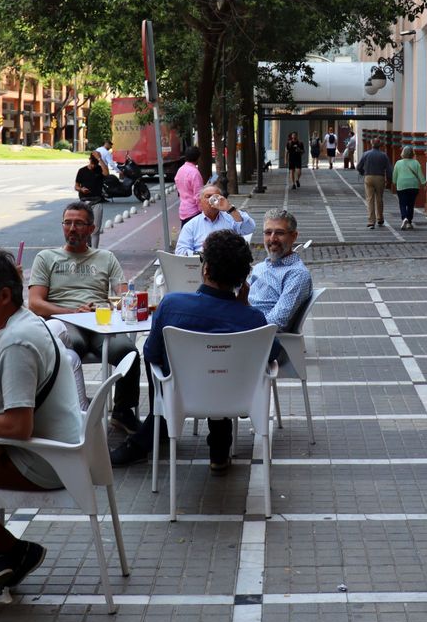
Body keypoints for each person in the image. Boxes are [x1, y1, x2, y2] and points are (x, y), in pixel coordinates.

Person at [0, 250, 86, 601]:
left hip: (40, 460)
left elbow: (19, 427)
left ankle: (11, 552)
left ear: (4, 296)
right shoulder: (22, 323)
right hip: (53, 450)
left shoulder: (17, 342)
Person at [110, 230, 273, 472]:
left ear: (205, 270)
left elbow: (152, 354)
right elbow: (274, 355)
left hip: (181, 396)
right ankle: (219, 447)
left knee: (156, 356)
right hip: (236, 399)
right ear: (243, 278)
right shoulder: (253, 320)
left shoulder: (172, 305)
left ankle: (160, 423)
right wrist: (245, 307)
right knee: (221, 371)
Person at [27, 202, 141, 433]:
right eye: (67, 223)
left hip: (100, 322)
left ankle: (122, 412)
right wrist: (72, 312)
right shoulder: (46, 257)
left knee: (128, 352)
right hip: (65, 321)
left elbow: (123, 293)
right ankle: (76, 409)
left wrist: (129, 299)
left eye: (78, 223)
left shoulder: (105, 257)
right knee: (72, 347)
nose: (72, 228)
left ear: (91, 228)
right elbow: (35, 303)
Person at [244, 209, 313, 333]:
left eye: (279, 233)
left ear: (294, 236)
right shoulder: (261, 266)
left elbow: (276, 322)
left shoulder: (297, 274)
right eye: (268, 232)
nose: (272, 239)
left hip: (256, 337)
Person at [175, 183, 257, 256]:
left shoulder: (231, 217)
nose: (212, 200)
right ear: (200, 202)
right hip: (202, 265)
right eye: (208, 197)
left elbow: (249, 228)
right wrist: (201, 254)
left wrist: (230, 208)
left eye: (216, 197)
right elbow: (180, 251)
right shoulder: (191, 225)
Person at [355, 141, 392, 229]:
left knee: (370, 199)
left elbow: (358, 167)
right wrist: (389, 179)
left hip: (369, 177)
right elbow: (389, 169)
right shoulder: (384, 155)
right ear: (380, 146)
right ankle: (380, 218)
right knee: (379, 198)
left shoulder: (366, 154)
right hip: (380, 177)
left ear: (371, 144)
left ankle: (371, 221)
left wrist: (363, 172)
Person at [392, 147, 426, 230]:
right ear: (412, 153)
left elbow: (394, 176)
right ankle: (409, 222)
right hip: (413, 186)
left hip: (402, 185)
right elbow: (420, 175)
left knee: (402, 203)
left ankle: (404, 218)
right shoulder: (416, 163)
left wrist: (394, 182)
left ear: (403, 153)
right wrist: (424, 184)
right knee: (411, 204)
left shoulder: (398, 163)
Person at [175, 145, 205, 227]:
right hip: (193, 212)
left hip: (183, 210)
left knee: (186, 237)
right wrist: (203, 211)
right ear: (198, 158)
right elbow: (198, 195)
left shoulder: (180, 170)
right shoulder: (194, 173)